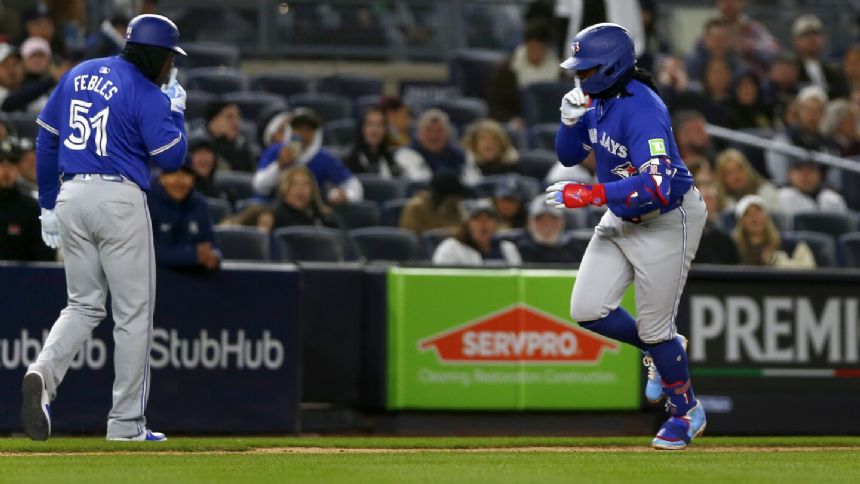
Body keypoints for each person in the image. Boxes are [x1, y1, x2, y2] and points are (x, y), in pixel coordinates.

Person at [23, 14, 188, 442]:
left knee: (82, 305)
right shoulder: (146, 91)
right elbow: (171, 159)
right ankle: (126, 424)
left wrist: (46, 206)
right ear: (155, 53)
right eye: (169, 56)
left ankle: (43, 372)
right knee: (132, 313)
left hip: (71, 196)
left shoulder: (78, 72)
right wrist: (176, 112)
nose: (171, 65)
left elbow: (45, 138)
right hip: (119, 198)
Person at [546, 23, 707, 449]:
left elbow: (656, 186)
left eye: (587, 69)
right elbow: (569, 155)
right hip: (623, 215)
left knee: (656, 330)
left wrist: (592, 193)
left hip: (667, 219)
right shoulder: (597, 100)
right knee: (588, 308)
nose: (580, 78)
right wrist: (569, 122)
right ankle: (663, 349)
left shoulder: (643, 108)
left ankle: (686, 410)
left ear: (611, 66)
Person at [253, 108, 363, 204]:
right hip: (272, 209)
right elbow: (259, 186)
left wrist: (346, 196)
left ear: (316, 133)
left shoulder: (324, 159)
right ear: (290, 130)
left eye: (309, 129)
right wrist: (279, 166)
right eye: (299, 128)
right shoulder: (275, 151)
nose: (303, 133)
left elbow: (355, 186)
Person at [148, 162, 220, 271]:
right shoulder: (147, 203)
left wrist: (214, 256)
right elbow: (148, 252)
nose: (179, 181)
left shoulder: (200, 204)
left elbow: (212, 244)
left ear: (193, 180)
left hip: (197, 281)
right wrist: (193, 256)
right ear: (162, 178)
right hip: (158, 281)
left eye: (185, 175)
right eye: (173, 174)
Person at [487, 20, 560, 125]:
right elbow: (494, 105)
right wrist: (511, 120)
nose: (536, 53)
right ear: (526, 45)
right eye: (532, 48)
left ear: (547, 48)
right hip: (517, 125)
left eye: (540, 48)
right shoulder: (507, 71)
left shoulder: (560, 72)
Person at [766, 86, 838, 186]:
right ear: (799, 110)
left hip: (821, 193)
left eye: (817, 111)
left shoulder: (829, 143)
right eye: (808, 110)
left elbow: (834, 178)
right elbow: (780, 178)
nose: (812, 116)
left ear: (824, 114)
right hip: (791, 191)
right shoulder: (784, 139)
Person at [0, 139, 54, 261]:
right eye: (1, 163)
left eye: (12, 163)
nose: (6, 169)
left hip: (20, 278)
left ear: (18, 168)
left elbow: (44, 258)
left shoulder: (31, 208)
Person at [344, 105, 431, 181]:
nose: (374, 130)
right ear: (361, 128)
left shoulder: (395, 160)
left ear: (385, 130)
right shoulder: (349, 161)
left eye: (380, 124)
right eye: (369, 124)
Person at [732, 194, 815, 268]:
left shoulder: (794, 245)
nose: (754, 217)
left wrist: (776, 261)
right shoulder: (731, 248)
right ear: (740, 221)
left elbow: (808, 271)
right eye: (747, 213)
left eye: (758, 211)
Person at [432, 199, 522, 266]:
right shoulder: (450, 249)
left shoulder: (507, 249)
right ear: (467, 224)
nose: (484, 224)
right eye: (477, 219)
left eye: (489, 219)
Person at [714, 0, 779, 76]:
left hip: (753, 80)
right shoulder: (711, 31)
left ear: (742, 2)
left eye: (733, 1)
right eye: (724, 1)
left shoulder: (753, 27)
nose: (729, 4)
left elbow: (774, 52)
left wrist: (748, 46)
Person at [792, 15, 848, 100]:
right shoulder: (791, 71)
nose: (812, 38)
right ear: (796, 40)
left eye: (816, 34)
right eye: (805, 34)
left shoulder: (833, 72)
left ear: (823, 38)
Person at [515, 195, 582, 264]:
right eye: (540, 219)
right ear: (529, 221)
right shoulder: (516, 249)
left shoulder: (575, 249)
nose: (547, 225)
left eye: (553, 219)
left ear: (562, 221)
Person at [271, 165, 340, 229]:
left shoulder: (324, 216)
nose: (300, 189)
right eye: (294, 184)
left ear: (312, 190)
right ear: (284, 188)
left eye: (305, 184)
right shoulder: (274, 217)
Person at [193, 101, 256, 172]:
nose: (236, 122)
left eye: (237, 117)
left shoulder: (242, 147)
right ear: (213, 120)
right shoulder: (196, 146)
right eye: (229, 117)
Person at [399, 171, 466, 235]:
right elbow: (414, 239)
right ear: (444, 198)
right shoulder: (416, 208)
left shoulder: (455, 209)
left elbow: (461, 233)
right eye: (455, 197)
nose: (459, 201)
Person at [714, 148, 779, 212]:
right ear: (722, 178)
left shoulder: (767, 192)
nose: (736, 177)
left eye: (739, 169)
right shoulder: (720, 202)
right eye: (730, 173)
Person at [777, 159, 848, 214]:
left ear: (820, 175)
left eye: (811, 170)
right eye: (799, 170)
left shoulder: (833, 199)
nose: (805, 175)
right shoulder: (782, 196)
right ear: (790, 174)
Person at [460, 119, 520, 185]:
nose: (489, 143)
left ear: (501, 144)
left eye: (494, 139)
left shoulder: (511, 167)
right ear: (474, 144)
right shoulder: (465, 166)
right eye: (483, 138)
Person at [693, 183, 740, 265]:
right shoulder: (684, 234)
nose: (707, 204)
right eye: (703, 199)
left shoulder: (726, 236)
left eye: (711, 199)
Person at [410, 109, 465, 176]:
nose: (434, 136)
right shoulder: (407, 155)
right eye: (429, 130)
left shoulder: (459, 155)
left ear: (447, 133)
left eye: (439, 131)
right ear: (418, 133)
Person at [687, 17, 743, 83]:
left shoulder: (736, 65)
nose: (719, 43)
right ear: (705, 39)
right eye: (715, 38)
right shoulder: (691, 65)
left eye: (723, 38)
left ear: (730, 40)